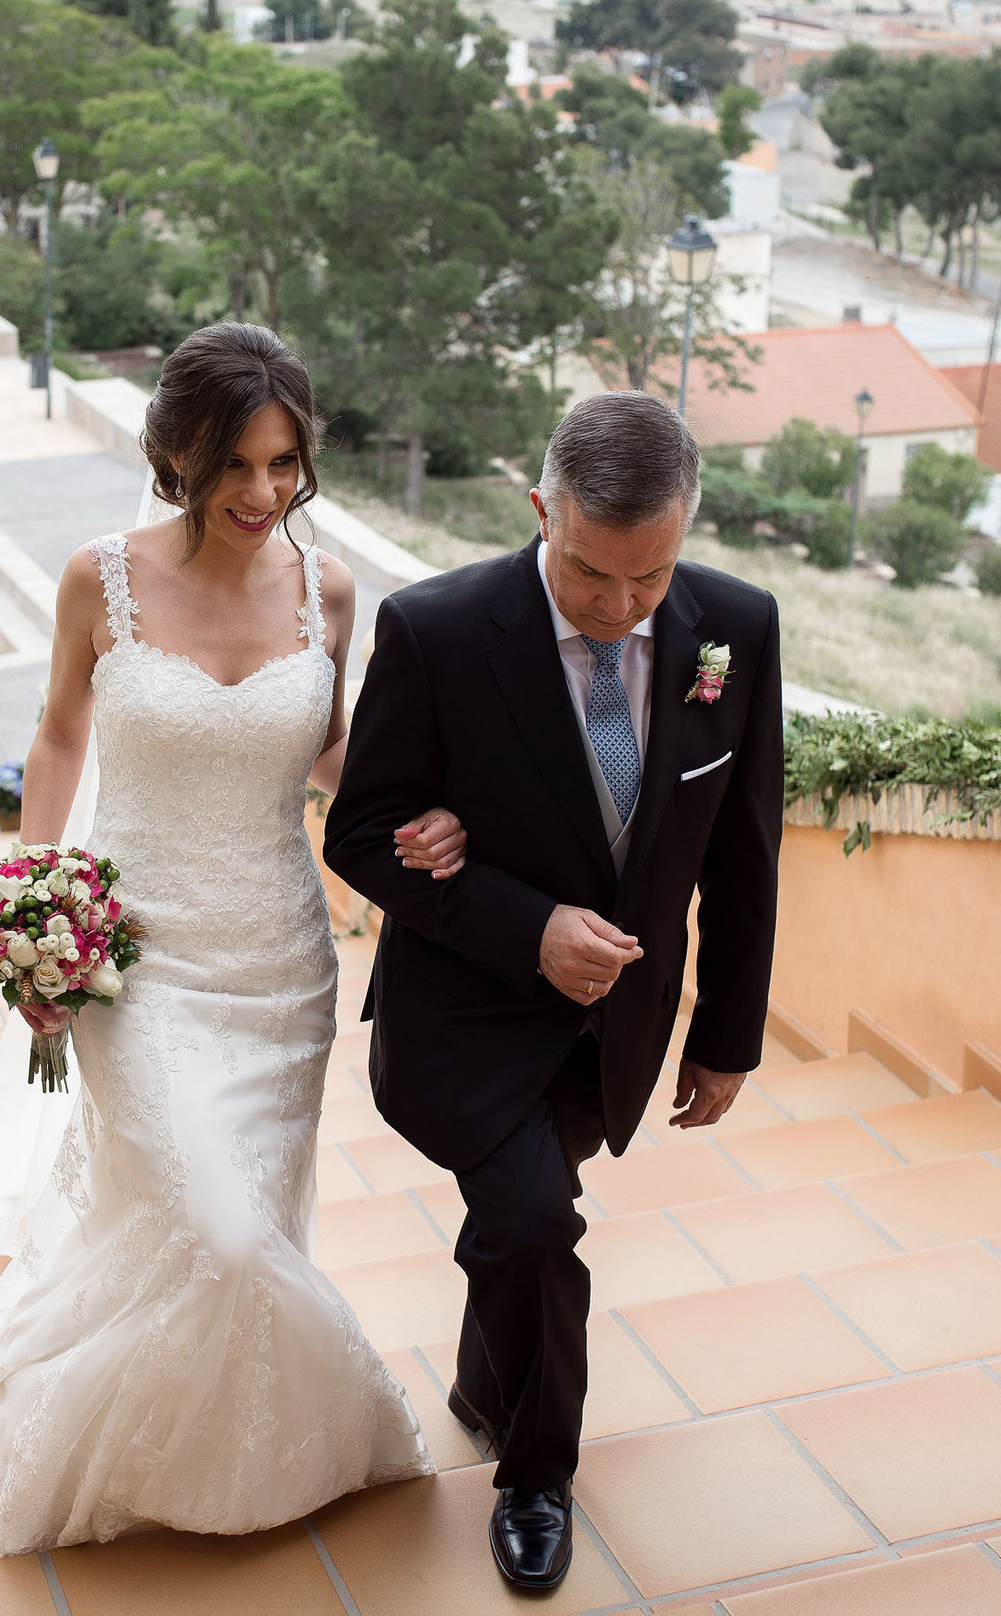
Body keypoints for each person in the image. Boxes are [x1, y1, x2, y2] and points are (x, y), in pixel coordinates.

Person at [0, 322, 472, 1554]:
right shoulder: (100, 579)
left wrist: (425, 815)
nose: (262, 491)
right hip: (134, 964)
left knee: (230, 1227)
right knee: (222, 1234)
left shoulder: (329, 590)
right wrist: (30, 908)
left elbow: (332, 752)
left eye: (283, 462)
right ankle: (313, 1415)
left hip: (281, 967)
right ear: (177, 452)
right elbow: (58, 735)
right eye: (234, 463)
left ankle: (225, 1451)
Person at [325, 391, 782, 1590]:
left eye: (651, 576)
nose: (621, 607)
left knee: (517, 1224)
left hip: (611, 1034)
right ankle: (535, 1476)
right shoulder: (434, 629)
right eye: (589, 573)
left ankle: (484, 1387)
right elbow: (360, 832)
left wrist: (726, 1034)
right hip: (461, 1019)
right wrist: (525, 927)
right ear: (541, 510)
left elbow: (744, 849)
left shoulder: (737, 627)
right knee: (533, 1225)